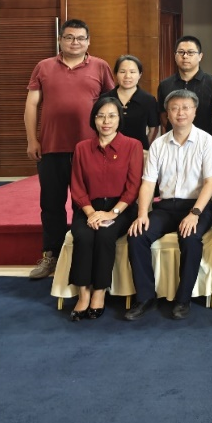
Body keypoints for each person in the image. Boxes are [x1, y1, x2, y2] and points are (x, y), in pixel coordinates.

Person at [24, 18, 114, 279]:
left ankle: (79, 256)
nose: (75, 42)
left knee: (84, 204)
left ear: (88, 41)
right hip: (51, 148)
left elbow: (110, 107)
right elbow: (31, 105)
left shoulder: (100, 66)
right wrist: (32, 139)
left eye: (80, 38)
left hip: (89, 150)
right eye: (69, 37)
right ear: (60, 40)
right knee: (51, 204)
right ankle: (50, 256)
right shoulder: (43, 67)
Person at [124, 90, 212, 321]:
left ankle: (183, 299)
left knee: (190, 237)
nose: (180, 113)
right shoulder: (158, 144)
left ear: (195, 111)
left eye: (186, 108)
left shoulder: (207, 141)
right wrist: (142, 213)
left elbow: (210, 183)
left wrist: (194, 213)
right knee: (137, 235)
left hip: (197, 206)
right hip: (166, 207)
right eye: (175, 108)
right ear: (167, 113)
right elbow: (148, 183)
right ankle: (145, 297)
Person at [67, 96, 142, 321]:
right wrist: (91, 213)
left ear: (119, 119)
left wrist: (112, 213)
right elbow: (77, 186)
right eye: (101, 116)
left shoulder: (132, 145)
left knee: (105, 235)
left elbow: (133, 187)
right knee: (83, 236)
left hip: (120, 208)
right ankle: (83, 294)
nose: (106, 121)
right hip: (89, 207)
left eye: (111, 116)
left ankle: (99, 292)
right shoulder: (82, 148)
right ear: (94, 119)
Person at [156, 35, 212, 138]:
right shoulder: (165, 85)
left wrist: (211, 139)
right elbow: (164, 117)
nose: (185, 56)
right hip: (174, 140)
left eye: (190, 52)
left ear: (200, 56)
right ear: (175, 55)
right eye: (181, 52)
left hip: (204, 141)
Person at [101, 54, 160, 150]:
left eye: (132, 72)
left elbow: (154, 128)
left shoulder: (148, 100)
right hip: (108, 150)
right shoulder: (105, 99)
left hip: (138, 151)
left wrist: (143, 149)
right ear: (116, 74)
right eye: (122, 72)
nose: (127, 76)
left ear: (140, 74)